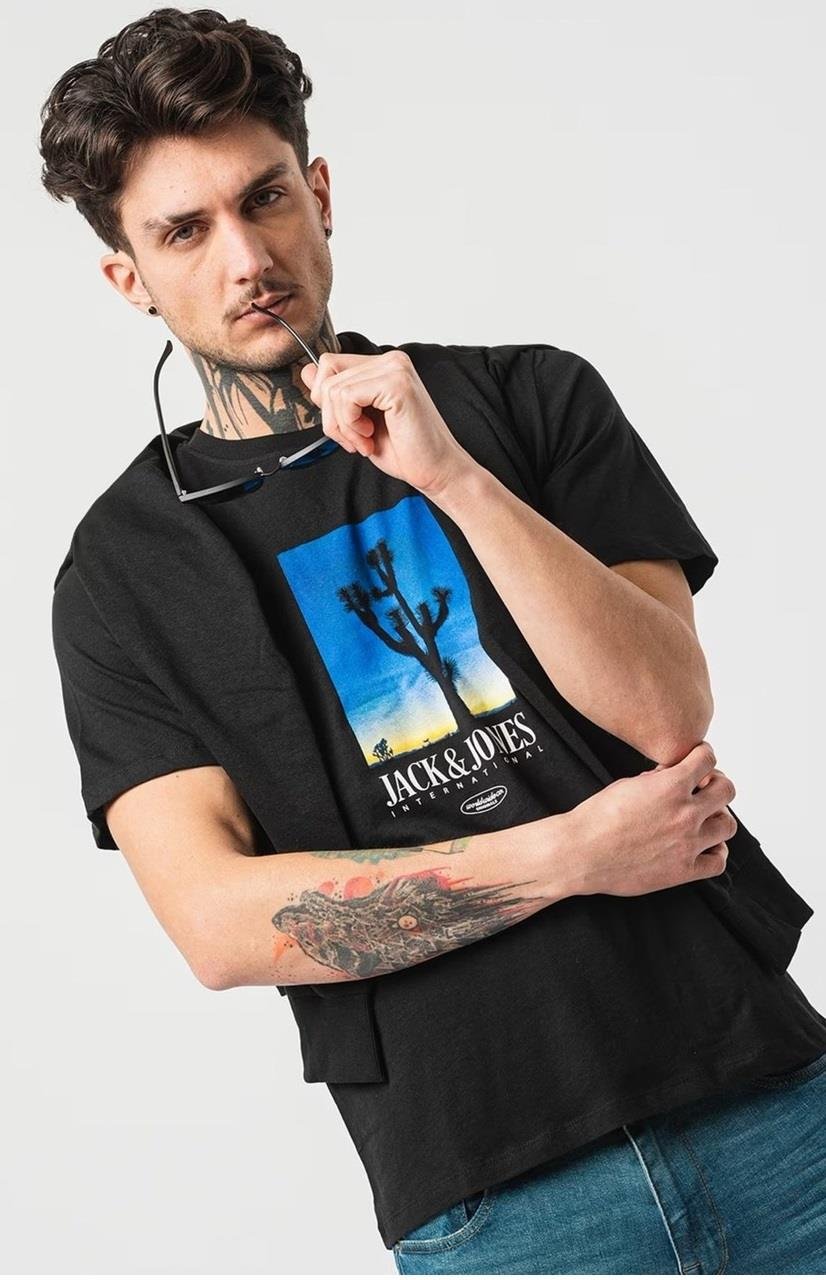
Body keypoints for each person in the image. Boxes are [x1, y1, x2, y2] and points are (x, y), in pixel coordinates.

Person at [41, 8, 826, 1273]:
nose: (247, 257)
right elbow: (218, 922)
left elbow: (664, 709)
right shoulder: (123, 574)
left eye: (265, 198)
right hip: (493, 1195)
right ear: (129, 277)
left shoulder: (529, 397)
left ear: (320, 193)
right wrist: (571, 854)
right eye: (184, 231)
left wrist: (455, 479)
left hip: (771, 1102)